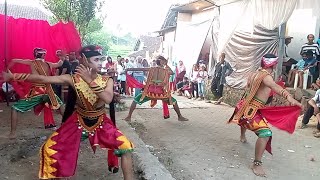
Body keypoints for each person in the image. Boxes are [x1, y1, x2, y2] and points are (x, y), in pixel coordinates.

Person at [2, 45, 134, 179]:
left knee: (126, 147)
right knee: (49, 149)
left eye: (101, 59)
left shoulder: (107, 80)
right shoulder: (72, 79)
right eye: (97, 59)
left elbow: (107, 98)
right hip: (78, 122)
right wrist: (13, 76)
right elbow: (43, 79)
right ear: (84, 60)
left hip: (101, 122)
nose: (101, 63)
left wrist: (88, 80)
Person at [228, 54, 302, 177]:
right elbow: (274, 86)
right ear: (273, 65)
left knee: (244, 121)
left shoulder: (253, 74)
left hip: (242, 107)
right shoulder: (266, 77)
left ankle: (242, 135)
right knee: (265, 133)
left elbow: (251, 90)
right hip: (251, 111)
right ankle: (257, 164)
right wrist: (289, 97)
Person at [6, 48, 64, 139]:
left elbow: (14, 60)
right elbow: (60, 63)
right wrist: (62, 57)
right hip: (48, 91)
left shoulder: (31, 62)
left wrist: (7, 69)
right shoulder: (49, 64)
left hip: (36, 92)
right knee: (60, 105)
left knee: (14, 108)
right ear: (44, 55)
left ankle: (12, 133)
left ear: (35, 55)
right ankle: (67, 128)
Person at [124, 56, 188, 122]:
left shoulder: (152, 68)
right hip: (161, 93)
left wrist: (128, 69)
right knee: (174, 101)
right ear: (162, 62)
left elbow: (140, 69)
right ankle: (180, 116)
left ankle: (129, 116)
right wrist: (166, 64)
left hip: (150, 92)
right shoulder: (165, 70)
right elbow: (172, 72)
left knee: (135, 100)